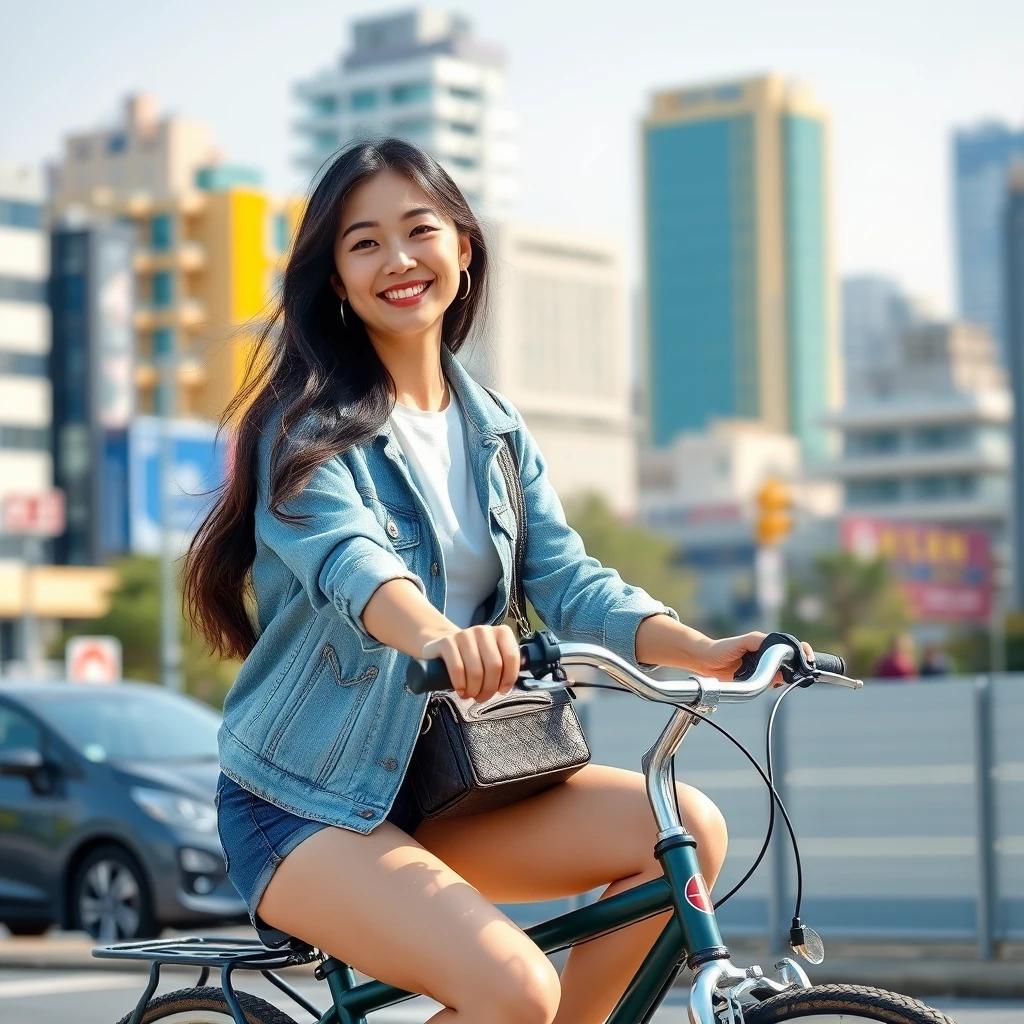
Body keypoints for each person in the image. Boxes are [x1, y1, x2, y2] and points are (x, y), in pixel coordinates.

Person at [183, 138, 813, 1024]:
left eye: (419, 230)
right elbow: (353, 566)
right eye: (363, 244)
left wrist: (705, 650)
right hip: (303, 800)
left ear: (464, 247)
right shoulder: (301, 426)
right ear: (334, 279)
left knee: (690, 834)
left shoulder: (498, 433)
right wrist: (440, 636)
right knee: (517, 988)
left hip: (443, 783)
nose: (398, 260)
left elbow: (570, 577)